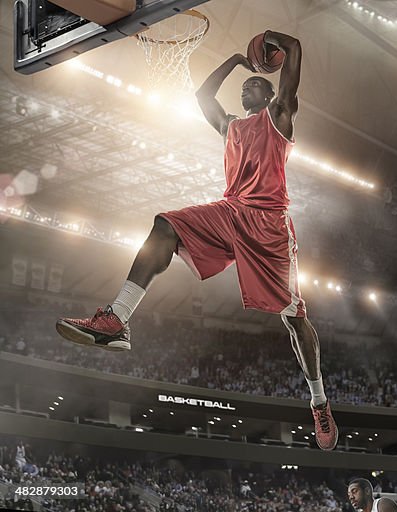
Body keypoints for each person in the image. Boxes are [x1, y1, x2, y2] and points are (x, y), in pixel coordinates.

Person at [54, 30, 338, 451]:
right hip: (230, 211)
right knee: (165, 225)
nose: (247, 87)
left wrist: (264, 44)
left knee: (294, 318)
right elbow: (203, 94)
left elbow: (295, 46)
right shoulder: (230, 127)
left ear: (269, 89)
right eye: (244, 85)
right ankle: (116, 319)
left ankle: (318, 401)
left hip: (268, 225)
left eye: (254, 83)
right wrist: (236, 60)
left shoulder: (279, 115)